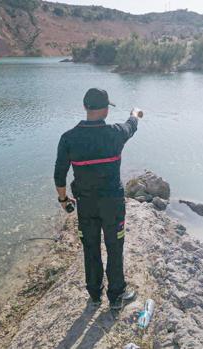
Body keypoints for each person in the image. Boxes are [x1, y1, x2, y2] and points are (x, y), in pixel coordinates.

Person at [54, 88, 141, 310]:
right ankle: (117, 295)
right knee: (114, 246)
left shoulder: (68, 138)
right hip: (112, 203)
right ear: (105, 110)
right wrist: (135, 113)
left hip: (86, 204)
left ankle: (94, 295)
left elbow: (59, 174)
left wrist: (64, 201)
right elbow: (131, 126)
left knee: (90, 246)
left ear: (85, 107)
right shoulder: (116, 133)